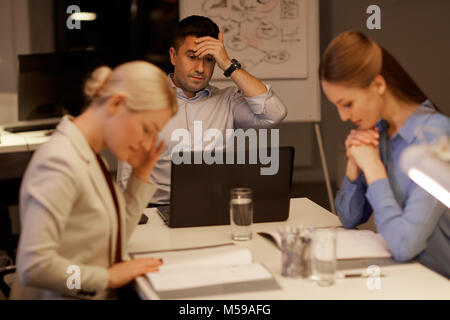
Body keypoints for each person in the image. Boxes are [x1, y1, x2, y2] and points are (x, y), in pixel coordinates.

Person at [10, 61, 178, 299]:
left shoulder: (91, 154)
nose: (149, 144)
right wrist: (106, 279)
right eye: (147, 129)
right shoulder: (59, 161)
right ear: (116, 103)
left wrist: (141, 174)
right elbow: (34, 267)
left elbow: (116, 237)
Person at [117, 15, 288, 204]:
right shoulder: (144, 101)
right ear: (173, 56)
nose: (200, 68)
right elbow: (127, 173)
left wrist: (228, 64)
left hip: (215, 205)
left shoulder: (228, 100)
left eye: (209, 59)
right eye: (192, 57)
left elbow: (273, 114)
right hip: (158, 208)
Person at [319, 31, 450, 278]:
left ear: (378, 85)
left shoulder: (434, 136)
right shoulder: (380, 131)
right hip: (407, 278)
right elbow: (348, 219)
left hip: (438, 282)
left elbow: (404, 246)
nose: (343, 117)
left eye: (347, 104)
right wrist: (354, 168)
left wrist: (373, 168)